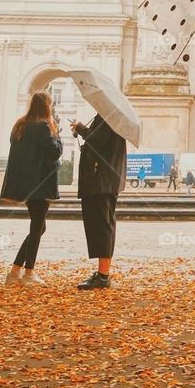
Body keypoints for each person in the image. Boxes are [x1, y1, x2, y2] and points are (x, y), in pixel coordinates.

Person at [1, 91, 62, 286]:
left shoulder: (21, 124)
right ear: (46, 106)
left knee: (38, 227)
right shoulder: (43, 126)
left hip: (25, 183)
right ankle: (28, 273)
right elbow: (55, 152)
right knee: (37, 228)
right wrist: (57, 135)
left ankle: (15, 271)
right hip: (40, 184)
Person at [72, 112, 128, 289]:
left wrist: (80, 129)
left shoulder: (109, 116)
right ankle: (102, 273)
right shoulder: (110, 117)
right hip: (102, 180)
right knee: (102, 224)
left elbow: (98, 142)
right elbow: (99, 140)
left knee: (103, 225)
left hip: (101, 181)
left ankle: (103, 276)